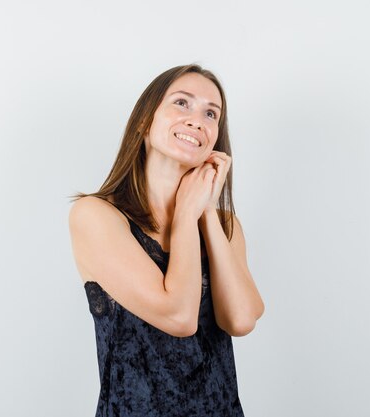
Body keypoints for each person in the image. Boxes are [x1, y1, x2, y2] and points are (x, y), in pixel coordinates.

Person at [68, 63, 265, 416]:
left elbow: (241, 319)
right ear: (145, 121)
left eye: (211, 113)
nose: (197, 120)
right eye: (181, 103)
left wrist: (204, 211)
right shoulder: (95, 216)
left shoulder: (223, 222)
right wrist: (187, 215)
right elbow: (178, 317)